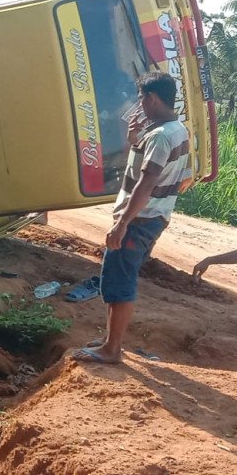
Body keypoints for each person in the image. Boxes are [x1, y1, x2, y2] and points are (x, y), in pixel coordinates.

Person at [73, 72, 191, 364]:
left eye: (141, 98)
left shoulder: (161, 137)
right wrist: (134, 139)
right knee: (117, 277)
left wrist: (122, 222)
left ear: (151, 98)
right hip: (153, 218)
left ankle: (111, 350)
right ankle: (109, 341)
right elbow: (175, 177)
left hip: (139, 221)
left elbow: (146, 182)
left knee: (119, 282)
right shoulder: (175, 131)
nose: (139, 104)